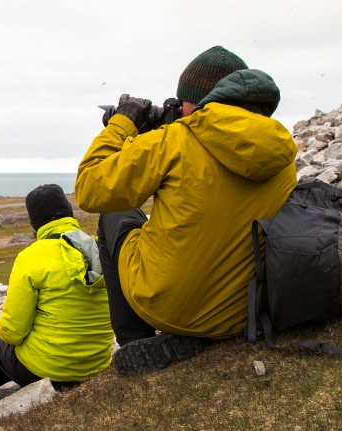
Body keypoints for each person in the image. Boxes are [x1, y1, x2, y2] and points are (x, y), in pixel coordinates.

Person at [75, 46, 298, 374]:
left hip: (171, 310)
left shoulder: (174, 140)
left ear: (197, 102)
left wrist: (122, 125)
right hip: (244, 310)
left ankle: (136, 339)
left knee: (115, 215)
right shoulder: (280, 149)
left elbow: (89, 189)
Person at [0, 184, 114, 407]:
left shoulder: (31, 257)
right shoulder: (98, 247)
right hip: (97, 362)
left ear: (35, 223)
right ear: (69, 213)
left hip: (48, 371)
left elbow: (12, 332)